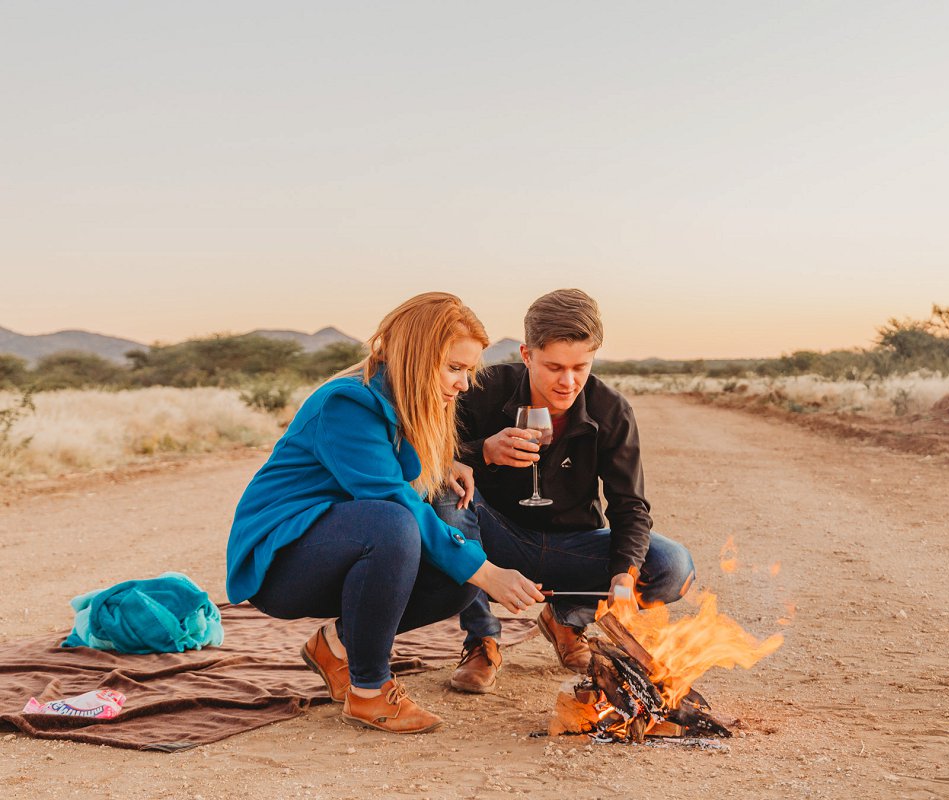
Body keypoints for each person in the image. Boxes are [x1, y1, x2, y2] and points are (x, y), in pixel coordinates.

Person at [225, 292, 544, 734]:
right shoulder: (347, 402)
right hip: (281, 557)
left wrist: (444, 462)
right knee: (394, 523)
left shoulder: (405, 400)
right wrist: (488, 571)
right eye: (454, 368)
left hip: (334, 541)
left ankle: (335, 646)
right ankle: (370, 691)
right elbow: (391, 496)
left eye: (468, 370)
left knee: (458, 581)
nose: (464, 384)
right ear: (415, 357)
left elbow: (388, 464)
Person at [440, 289, 696, 694]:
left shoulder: (611, 409)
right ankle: (482, 641)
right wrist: (483, 452)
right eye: (554, 367)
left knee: (672, 566)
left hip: (572, 545)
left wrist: (624, 576)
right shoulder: (480, 390)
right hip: (494, 539)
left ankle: (566, 619)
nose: (568, 381)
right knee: (446, 493)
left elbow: (631, 507)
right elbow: (429, 457)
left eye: (581, 366)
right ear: (526, 354)